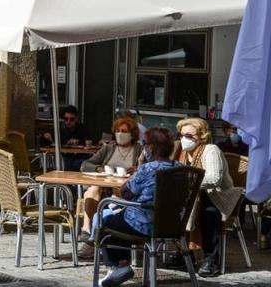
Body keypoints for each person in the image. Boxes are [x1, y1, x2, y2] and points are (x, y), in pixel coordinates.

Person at [96, 127, 178, 287]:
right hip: (171, 225)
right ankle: (123, 265)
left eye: (144, 143)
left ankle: (119, 266)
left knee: (105, 220)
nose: (143, 147)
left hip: (144, 224)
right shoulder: (180, 167)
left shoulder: (148, 169)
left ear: (151, 147)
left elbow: (125, 193)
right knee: (120, 219)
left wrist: (140, 165)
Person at [176, 117, 241, 278]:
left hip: (218, 197)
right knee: (174, 206)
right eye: (182, 135)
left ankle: (211, 259)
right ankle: (185, 253)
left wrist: (188, 182)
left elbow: (214, 179)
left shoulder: (211, 150)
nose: (184, 139)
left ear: (202, 136)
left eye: (189, 136)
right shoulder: (183, 152)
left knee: (206, 210)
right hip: (194, 196)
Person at [77, 117, 143, 258]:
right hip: (104, 185)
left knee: (117, 193)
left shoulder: (139, 149)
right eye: (118, 131)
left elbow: (146, 168)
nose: (120, 134)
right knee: (93, 189)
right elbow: (85, 164)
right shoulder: (108, 147)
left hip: (123, 188)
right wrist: (99, 168)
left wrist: (137, 169)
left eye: (124, 131)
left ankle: (102, 235)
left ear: (132, 133)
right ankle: (86, 229)